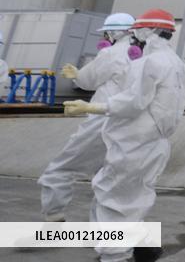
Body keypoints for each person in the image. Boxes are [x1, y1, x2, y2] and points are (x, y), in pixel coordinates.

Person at [64, 8, 185, 262]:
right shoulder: (180, 66)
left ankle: (115, 256)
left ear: (149, 31)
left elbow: (133, 102)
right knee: (135, 198)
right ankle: (142, 247)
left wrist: (91, 107)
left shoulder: (149, 63)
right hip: (155, 143)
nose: (133, 38)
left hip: (133, 143)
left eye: (136, 32)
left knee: (113, 199)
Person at [39, 13, 135, 222]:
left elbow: (88, 80)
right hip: (131, 122)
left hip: (102, 118)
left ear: (115, 33)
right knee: (110, 177)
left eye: (107, 33)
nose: (106, 37)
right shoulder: (143, 55)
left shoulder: (111, 53)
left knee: (61, 168)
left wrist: (77, 74)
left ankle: (54, 216)